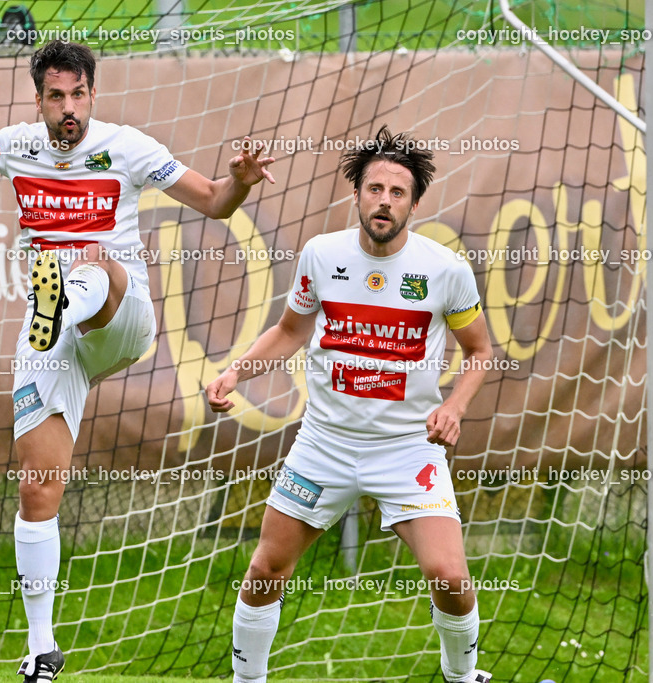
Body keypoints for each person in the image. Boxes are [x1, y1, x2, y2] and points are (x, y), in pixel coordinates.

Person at [0, 40, 275, 682]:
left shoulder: (127, 147)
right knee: (37, 486)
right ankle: (41, 647)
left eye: (78, 95)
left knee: (90, 262)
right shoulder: (16, 145)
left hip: (121, 316)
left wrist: (239, 180)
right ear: (39, 99)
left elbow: (212, 199)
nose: (67, 107)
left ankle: (62, 301)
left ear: (92, 95)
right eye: (55, 96)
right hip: (53, 342)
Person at [206, 125, 493, 683]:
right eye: (374, 189)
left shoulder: (444, 269)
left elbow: (481, 352)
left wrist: (454, 406)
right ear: (356, 193)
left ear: (413, 203)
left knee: (451, 579)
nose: (383, 201)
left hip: (408, 450)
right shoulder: (321, 255)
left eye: (397, 192)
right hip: (324, 445)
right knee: (266, 568)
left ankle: (463, 677)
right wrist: (237, 371)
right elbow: (291, 330)